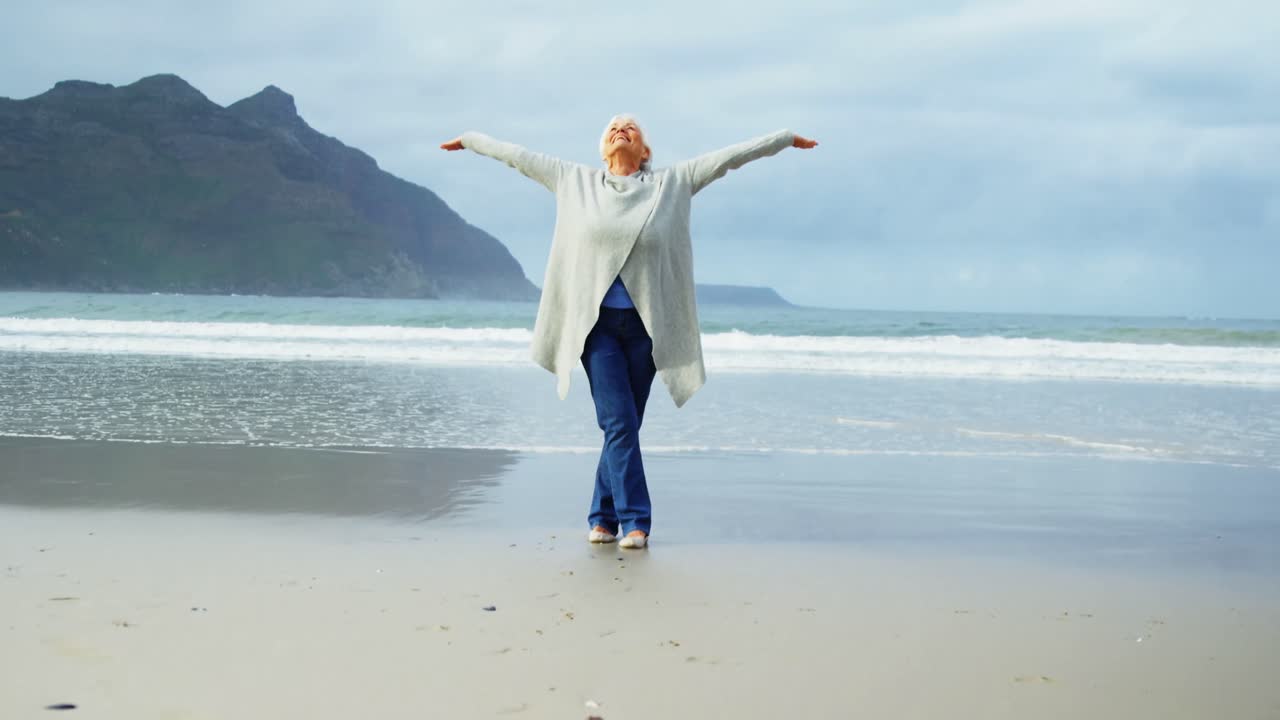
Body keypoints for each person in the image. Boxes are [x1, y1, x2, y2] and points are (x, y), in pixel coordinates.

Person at [441, 116, 817, 549]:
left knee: (624, 426)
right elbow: (517, 157)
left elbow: (729, 158)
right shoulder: (573, 181)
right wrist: (471, 140)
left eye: (631, 128)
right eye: (613, 127)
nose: (621, 128)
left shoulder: (672, 184)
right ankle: (636, 521)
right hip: (596, 328)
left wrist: (784, 139)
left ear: (645, 153)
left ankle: (602, 518)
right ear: (603, 149)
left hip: (646, 329)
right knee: (619, 422)